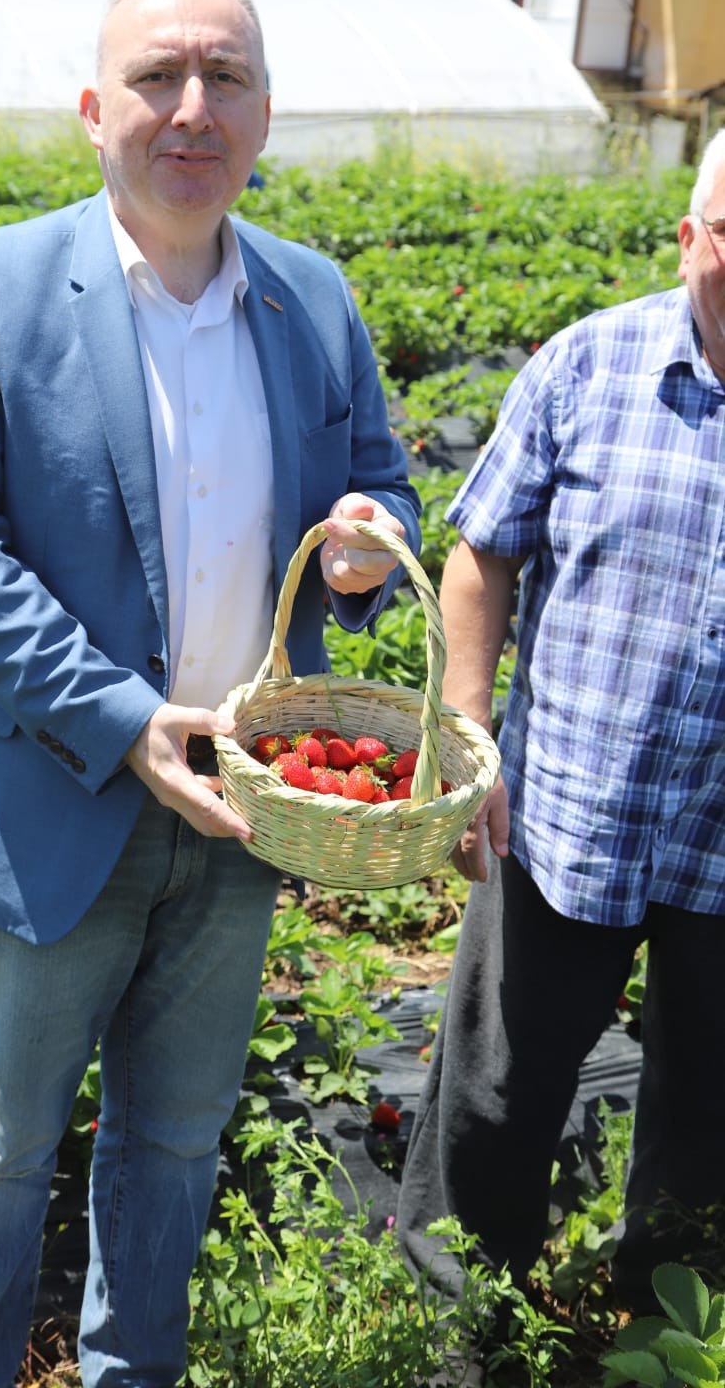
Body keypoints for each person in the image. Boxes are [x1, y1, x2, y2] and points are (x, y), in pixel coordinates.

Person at [0, 0, 421, 1388]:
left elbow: (375, 483)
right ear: (90, 107)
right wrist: (123, 722)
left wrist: (368, 545)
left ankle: (135, 1373)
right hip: (50, 796)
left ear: (261, 112)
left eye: (224, 77)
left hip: (241, 813)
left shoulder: (309, 297)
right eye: (157, 76)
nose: (193, 107)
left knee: (178, 1136)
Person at [397, 128, 725, 1324]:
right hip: (570, 812)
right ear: (692, 232)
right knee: (495, 1092)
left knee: (708, 1116)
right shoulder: (589, 364)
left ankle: (667, 1330)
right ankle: (459, 1327)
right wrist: (467, 731)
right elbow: (481, 552)